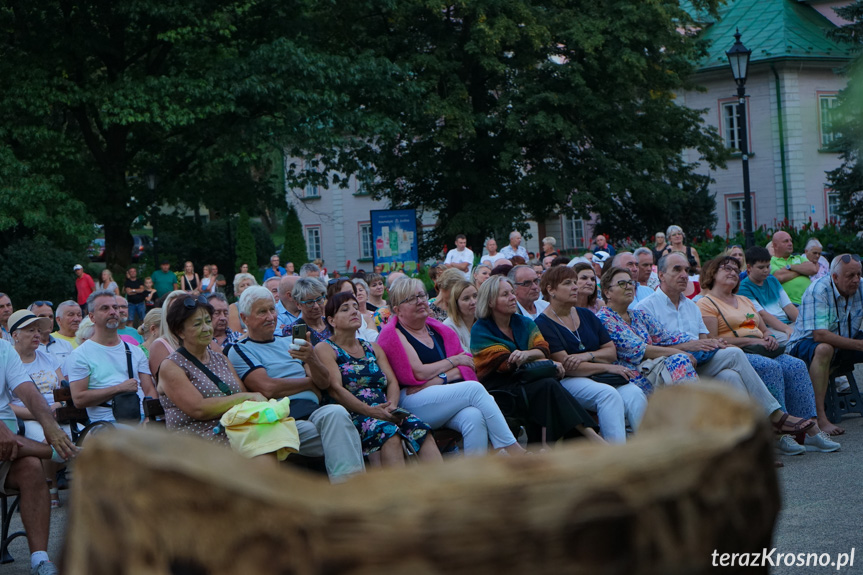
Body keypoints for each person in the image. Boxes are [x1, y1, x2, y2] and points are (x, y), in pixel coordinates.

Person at [637, 253, 829, 455]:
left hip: (703, 363)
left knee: (736, 374)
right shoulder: (647, 307)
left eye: (686, 270)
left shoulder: (690, 306)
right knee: (736, 357)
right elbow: (645, 350)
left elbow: (706, 340)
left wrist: (763, 336)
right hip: (672, 369)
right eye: (677, 269)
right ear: (661, 275)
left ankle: (749, 445)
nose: (684, 274)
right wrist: (689, 347)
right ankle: (774, 416)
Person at [696, 256, 839, 452]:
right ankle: (781, 434)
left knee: (796, 366)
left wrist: (768, 336)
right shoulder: (706, 303)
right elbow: (713, 341)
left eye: (736, 270)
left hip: (762, 347)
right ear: (712, 273)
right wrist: (751, 340)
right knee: (770, 367)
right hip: (738, 353)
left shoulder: (744, 300)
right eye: (726, 269)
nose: (732, 272)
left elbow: (763, 328)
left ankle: (810, 428)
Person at [227, 286, 365, 482]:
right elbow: (268, 387)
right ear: (245, 317)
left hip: (314, 411)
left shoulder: (290, 341)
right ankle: (351, 492)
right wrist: (309, 383)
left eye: (272, 310)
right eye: (262, 312)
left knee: (337, 413)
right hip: (283, 419)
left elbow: (323, 382)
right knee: (343, 435)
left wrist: (312, 358)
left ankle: (348, 492)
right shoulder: (240, 349)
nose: (270, 317)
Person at [377, 278, 526, 455]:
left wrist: (441, 377)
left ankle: (474, 476)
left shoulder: (438, 330)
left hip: (439, 394)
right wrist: (454, 362)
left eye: (422, 296)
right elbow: (419, 373)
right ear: (397, 310)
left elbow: (467, 364)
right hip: (410, 400)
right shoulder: (395, 334)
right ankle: (513, 449)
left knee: (474, 416)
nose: (420, 301)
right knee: (474, 389)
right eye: (410, 299)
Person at [470, 276, 603, 445]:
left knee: (547, 387)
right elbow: (506, 363)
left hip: (530, 381)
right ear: (489, 302)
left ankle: (557, 444)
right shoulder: (481, 330)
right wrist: (546, 362)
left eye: (512, 292)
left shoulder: (524, 322)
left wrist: (527, 355)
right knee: (548, 386)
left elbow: (543, 348)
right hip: (502, 391)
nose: (512, 297)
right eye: (505, 294)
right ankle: (589, 438)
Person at [316, 292, 442, 466]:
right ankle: (396, 492)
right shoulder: (326, 348)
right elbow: (335, 389)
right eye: (345, 309)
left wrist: (391, 407)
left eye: (355, 307)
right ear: (331, 321)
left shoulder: (372, 348)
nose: (354, 311)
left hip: (384, 410)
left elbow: (391, 382)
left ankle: (444, 488)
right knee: (389, 433)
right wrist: (370, 411)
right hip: (353, 413)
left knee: (421, 429)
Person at [535, 266, 646, 443]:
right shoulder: (543, 323)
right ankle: (616, 459)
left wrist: (587, 356)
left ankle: (647, 451)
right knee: (608, 395)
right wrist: (608, 367)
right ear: (550, 290)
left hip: (599, 374)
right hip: (569, 380)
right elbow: (568, 366)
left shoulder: (586, 314)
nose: (575, 287)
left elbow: (611, 351)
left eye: (574, 282)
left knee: (634, 394)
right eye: (567, 283)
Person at [0, 335, 78, 575]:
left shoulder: (3, 348)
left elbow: (28, 391)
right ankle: (65, 453)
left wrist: (52, 429)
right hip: (6, 438)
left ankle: (40, 559)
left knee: (32, 468)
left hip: (9, 446)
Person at [157, 295, 268, 446]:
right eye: (197, 324)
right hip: (198, 442)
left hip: (235, 432)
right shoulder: (171, 366)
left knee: (276, 435)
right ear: (180, 331)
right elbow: (199, 409)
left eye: (208, 321)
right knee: (265, 444)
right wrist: (245, 397)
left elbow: (241, 394)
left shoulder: (220, 358)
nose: (206, 328)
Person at [786, 254, 863, 436]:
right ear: (834, 277)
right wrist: (859, 345)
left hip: (844, 339)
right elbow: (819, 335)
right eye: (850, 276)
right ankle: (820, 417)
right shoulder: (818, 290)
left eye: (859, 274)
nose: (856, 280)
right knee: (824, 348)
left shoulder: (860, 285)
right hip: (805, 345)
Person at [596, 267, 699, 395]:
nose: (629, 287)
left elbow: (666, 337)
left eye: (631, 283)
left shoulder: (639, 315)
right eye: (622, 284)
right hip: (629, 375)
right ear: (607, 293)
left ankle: (693, 409)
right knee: (680, 359)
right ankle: (694, 410)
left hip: (652, 368)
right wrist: (679, 352)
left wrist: (701, 343)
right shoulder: (604, 319)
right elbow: (639, 349)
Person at [68, 290, 157, 423]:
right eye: (105, 308)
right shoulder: (80, 355)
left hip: (141, 421)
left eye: (115, 307)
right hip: (106, 425)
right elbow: (79, 399)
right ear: (92, 317)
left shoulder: (135, 352)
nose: (113, 312)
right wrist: (119, 389)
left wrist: (149, 419)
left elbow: (149, 390)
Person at [9, 311, 69, 508]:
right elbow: (5, 404)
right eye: (30, 330)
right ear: (15, 335)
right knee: (53, 443)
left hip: (57, 412)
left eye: (38, 330)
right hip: (25, 418)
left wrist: (58, 405)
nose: (37, 334)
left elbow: (63, 388)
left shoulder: (48, 358)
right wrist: (39, 414)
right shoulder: (7, 362)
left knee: (87, 440)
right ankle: (50, 486)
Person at [739, 247, 798, 343]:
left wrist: (803, 324)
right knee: (793, 341)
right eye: (761, 267)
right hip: (768, 329)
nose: (766, 270)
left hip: (787, 324)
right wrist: (787, 329)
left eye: (768, 266)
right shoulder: (743, 288)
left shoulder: (773, 280)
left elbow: (789, 306)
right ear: (749, 268)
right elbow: (762, 315)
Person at [147, 291, 187, 379]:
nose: (181, 313)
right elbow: (166, 385)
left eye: (184, 308)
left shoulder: (207, 341)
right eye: (175, 309)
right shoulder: (160, 346)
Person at [770, 231, 817, 306]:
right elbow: (779, 277)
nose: (790, 243)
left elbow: (813, 269)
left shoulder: (799, 258)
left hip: (811, 301)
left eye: (791, 241)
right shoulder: (771, 262)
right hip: (790, 305)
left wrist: (791, 267)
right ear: (775, 245)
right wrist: (802, 270)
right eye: (786, 241)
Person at [291, 278, 332, 345]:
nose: (316, 306)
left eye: (319, 300)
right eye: (310, 302)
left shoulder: (332, 324)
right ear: (298, 304)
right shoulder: (293, 330)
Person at [443, 280, 478, 353]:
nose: (473, 302)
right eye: (466, 298)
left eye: (475, 296)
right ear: (456, 304)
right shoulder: (449, 326)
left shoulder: (483, 321)